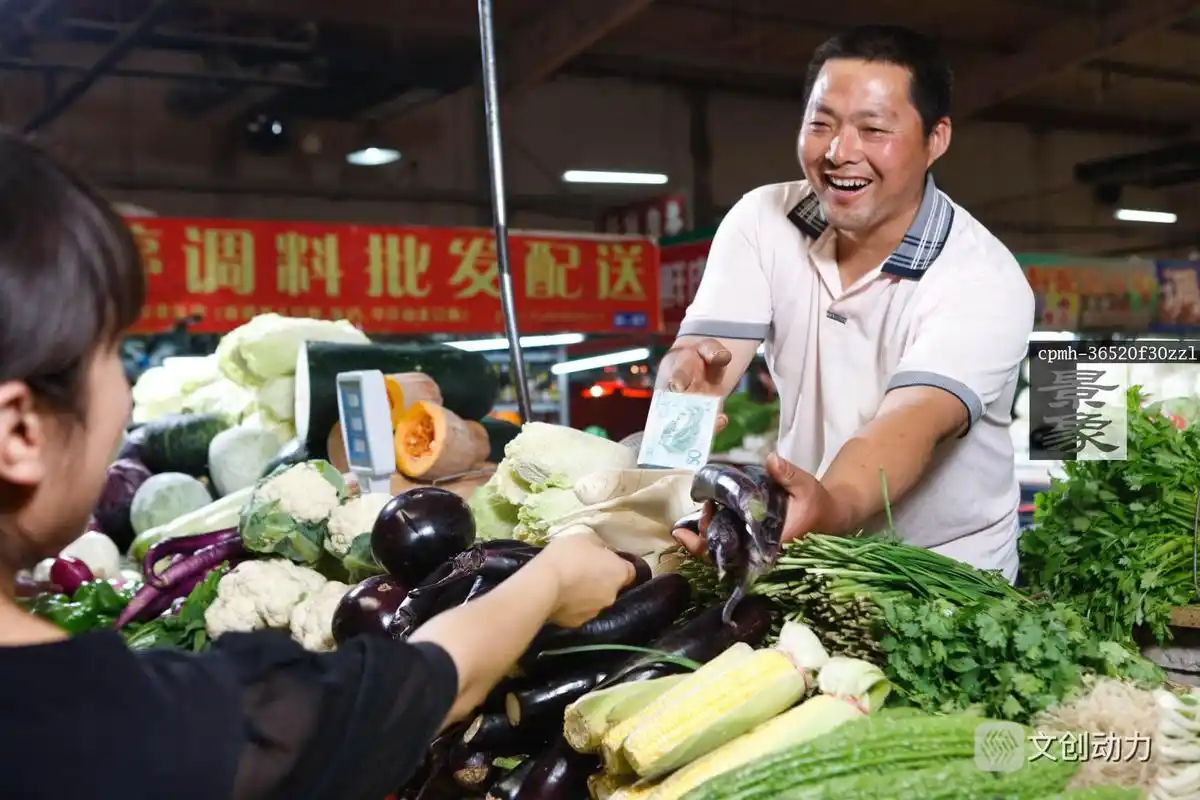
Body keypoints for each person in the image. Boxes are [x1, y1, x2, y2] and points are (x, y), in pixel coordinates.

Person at [0, 133, 636, 800]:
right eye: (111, 352)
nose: (125, 395)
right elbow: (399, 694)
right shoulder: (115, 730)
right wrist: (551, 579)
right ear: (19, 431)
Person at [666, 25, 1034, 582]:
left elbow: (912, 422)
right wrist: (684, 376)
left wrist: (829, 506)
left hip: (945, 576)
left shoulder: (982, 277)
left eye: (873, 129)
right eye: (821, 125)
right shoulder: (762, 220)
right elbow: (708, 356)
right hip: (809, 554)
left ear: (936, 138)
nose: (839, 152)